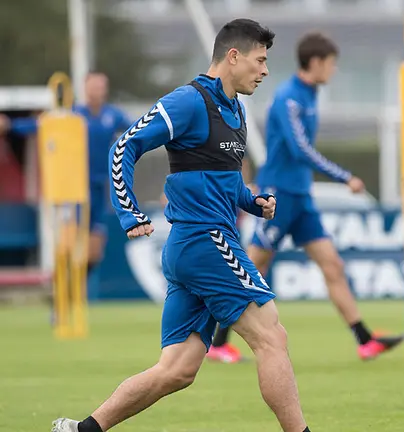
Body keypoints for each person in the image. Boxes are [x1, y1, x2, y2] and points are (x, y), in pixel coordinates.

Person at [52, 19, 313, 432]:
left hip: (194, 248)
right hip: (206, 241)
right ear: (233, 56)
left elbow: (225, 179)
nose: (265, 70)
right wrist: (128, 211)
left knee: (177, 369)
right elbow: (124, 146)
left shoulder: (235, 109)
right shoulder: (189, 101)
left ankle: (80, 430)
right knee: (271, 336)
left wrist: (252, 201)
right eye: (260, 60)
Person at [206, 31, 404, 364]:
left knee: (332, 265)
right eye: (331, 64)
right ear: (315, 62)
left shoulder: (310, 95)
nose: (334, 70)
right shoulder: (290, 99)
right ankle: (217, 342)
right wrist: (345, 177)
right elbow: (300, 150)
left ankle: (364, 339)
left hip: (301, 197)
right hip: (279, 196)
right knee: (251, 267)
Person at [1, 72, 132, 278]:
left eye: (101, 87)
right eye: (93, 86)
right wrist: (10, 125)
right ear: (85, 88)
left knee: (95, 249)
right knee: (70, 240)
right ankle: (62, 282)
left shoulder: (112, 115)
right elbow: (41, 125)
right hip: (76, 186)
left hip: (100, 187)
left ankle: (77, 282)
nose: (97, 91)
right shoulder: (73, 114)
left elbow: (137, 129)